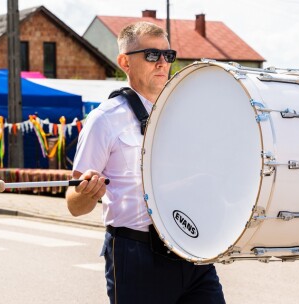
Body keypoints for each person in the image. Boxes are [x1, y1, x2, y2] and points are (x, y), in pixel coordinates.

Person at [66, 21, 225, 304]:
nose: (163, 63)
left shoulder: (184, 112)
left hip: (192, 250)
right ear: (125, 61)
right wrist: (86, 192)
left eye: (168, 55)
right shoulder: (104, 120)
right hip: (136, 255)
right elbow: (74, 204)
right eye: (152, 55)